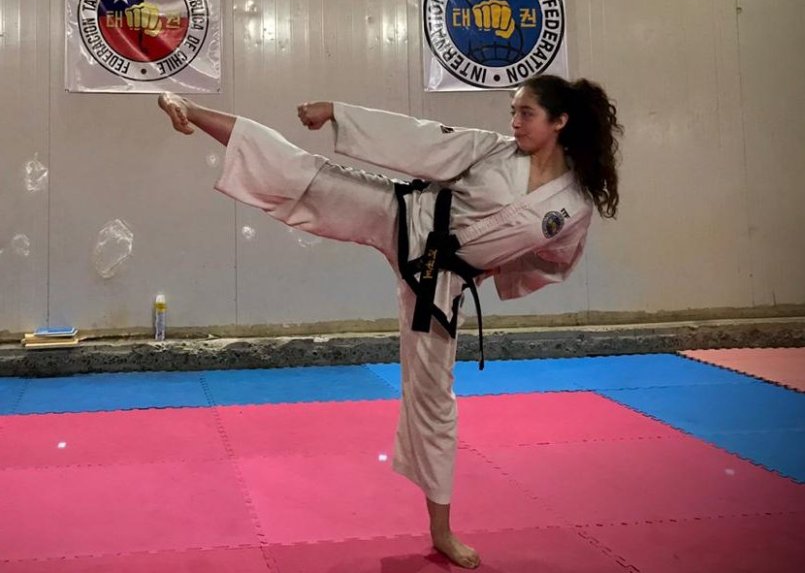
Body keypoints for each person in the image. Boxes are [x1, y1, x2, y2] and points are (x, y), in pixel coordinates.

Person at [157, 74, 622, 569]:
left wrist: (494, 269)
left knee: (434, 401)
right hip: (406, 217)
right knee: (305, 173)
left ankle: (441, 531)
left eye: (526, 113)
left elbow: (553, 260)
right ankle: (189, 108)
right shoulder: (492, 151)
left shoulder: (574, 205)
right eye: (513, 111)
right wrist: (338, 111)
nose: (514, 122)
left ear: (559, 121)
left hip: (440, 279)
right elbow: (418, 139)